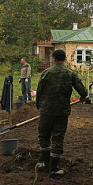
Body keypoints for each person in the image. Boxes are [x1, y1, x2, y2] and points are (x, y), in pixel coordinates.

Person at [35, 49, 88, 177]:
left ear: (53, 59)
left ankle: (45, 164)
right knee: (57, 138)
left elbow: (39, 92)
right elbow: (83, 91)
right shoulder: (70, 73)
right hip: (62, 112)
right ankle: (53, 169)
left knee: (44, 136)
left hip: (46, 111)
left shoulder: (46, 73)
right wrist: (82, 97)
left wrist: (40, 107)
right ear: (64, 59)